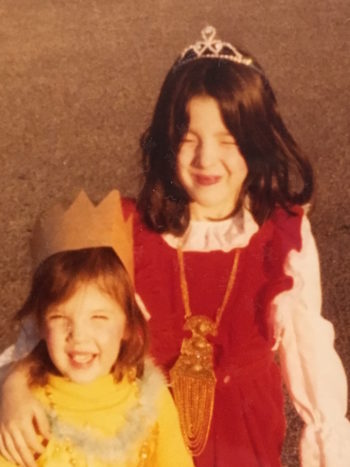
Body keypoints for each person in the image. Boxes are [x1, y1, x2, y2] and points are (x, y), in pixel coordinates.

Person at [1, 25, 350, 467]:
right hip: (142, 451)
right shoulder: (125, 226)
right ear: (167, 142)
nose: (206, 159)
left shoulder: (283, 235)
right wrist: (12, 388)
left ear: (257, 144)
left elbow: (312, 360)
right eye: (189, 139)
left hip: (245, 451)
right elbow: (48, 330)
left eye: (228, 141)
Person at [0, 191, 193, 467]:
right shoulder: (26, 413)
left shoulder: (150, 398)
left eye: (99, 317)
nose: (78, 336)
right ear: (40, 324)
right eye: (60, 317)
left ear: (128, 324)